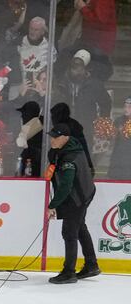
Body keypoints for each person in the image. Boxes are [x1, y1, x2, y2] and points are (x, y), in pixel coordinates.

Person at [45, 118, 99, 284]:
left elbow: (66, 186)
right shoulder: (72, 146)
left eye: (55, 137)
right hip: (84, 193)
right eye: (51, 136)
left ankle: (69, 272)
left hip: (77, 198)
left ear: (65, 138)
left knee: (69, 232)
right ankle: (91, 265)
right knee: (80, 228)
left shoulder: (69, 158)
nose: (52, 139)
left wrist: (52, 205)